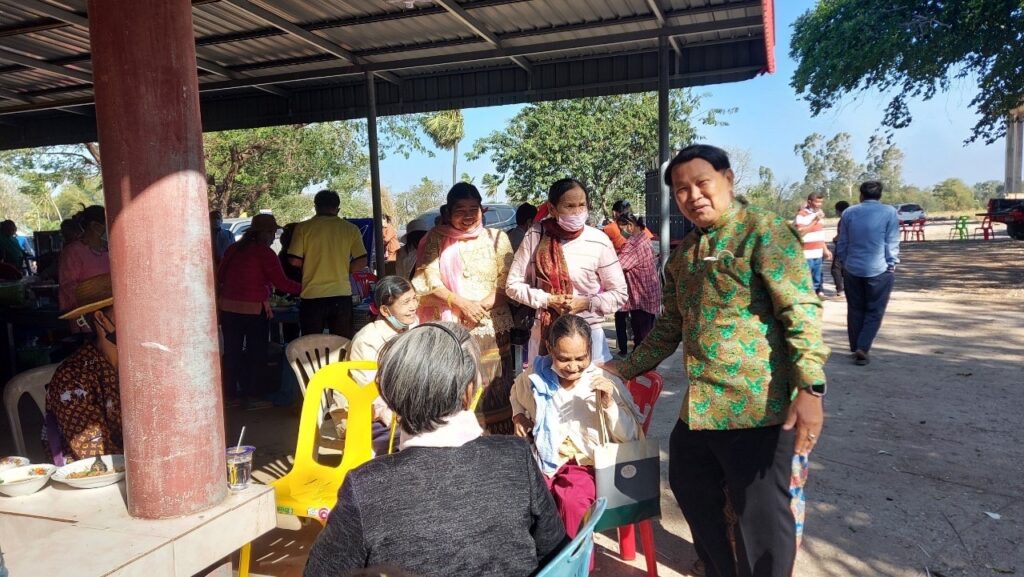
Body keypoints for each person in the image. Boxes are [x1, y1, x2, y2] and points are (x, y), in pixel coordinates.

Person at [607, 145, 829, 577]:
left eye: (701, 183)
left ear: (727, 179)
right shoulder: (684, 255)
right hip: (702, 408)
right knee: (689, 485)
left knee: (761, 518)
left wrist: (811, 388)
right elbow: (669, 328)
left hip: (758, 408)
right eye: (681, 189)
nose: (693, 196)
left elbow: (800, 312)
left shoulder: (764, 233)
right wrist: (622, 367)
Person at [304, 322, 566, 577]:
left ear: (391, 396)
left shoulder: (365, 485)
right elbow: (559, 554)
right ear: (469, 392)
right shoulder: (516, 456)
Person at [510, 314, 639, 537]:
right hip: (546, 458)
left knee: (572, 502)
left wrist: (609, 405)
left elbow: (630, 436)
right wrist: (518, 416)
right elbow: (515, 393)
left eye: (581, 358)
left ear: (590, 349)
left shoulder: (603, 382)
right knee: (525, 498)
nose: (572, 366)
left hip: (589, 464)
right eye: (563, 359)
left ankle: (576, 556)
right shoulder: (537, 376)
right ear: (550, 348)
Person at [412, 182, 515, 433]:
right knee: (456, 388)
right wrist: (461, 304)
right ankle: (459, 444)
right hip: (452, 331)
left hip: (492, 327)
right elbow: (426, 281)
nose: (468, 216)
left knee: (494, 390)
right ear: (448, 212)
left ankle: (497, 445)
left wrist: (477, 308)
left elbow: (507, 282)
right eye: (460, 210)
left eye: (473, 209)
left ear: (482, 210)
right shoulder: (436, 238)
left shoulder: (497, 238)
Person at [506, 178, 627, 365]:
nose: (577, 212)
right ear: (552, 209)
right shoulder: (536, 235)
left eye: (582, 205)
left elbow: (620, 294)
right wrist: (548, 300)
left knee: (587, 384)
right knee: (544, 382)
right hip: (545, 337)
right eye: (569, 206)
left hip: (588, 339)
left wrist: (587, 303)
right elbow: (512, 286)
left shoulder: (599, 240)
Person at [218, 214, 302, 409]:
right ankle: (254, 397)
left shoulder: (233, 249)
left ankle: (230, 396)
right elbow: (281, 283)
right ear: (264, 233)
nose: (273, 237)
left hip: (228, 308)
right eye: (272, 233)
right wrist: (306, 288)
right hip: (254, 309)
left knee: (232, 352)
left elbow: (220, 275)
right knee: (257, 353)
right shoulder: (264, 253)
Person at [45, 273, 122, 463]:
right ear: (101, 319)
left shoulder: (146, 365)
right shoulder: (72, 377)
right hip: (96, 474)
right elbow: (95, 454)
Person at [344, 276, 420, 453]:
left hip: (404, 410)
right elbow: (371, 394)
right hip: (369, 415)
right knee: (417, 440)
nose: (413, 306)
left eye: (414, 299)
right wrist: (401, 418)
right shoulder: (367, 341)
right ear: (385, 310)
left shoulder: (413, 326)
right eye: (406, 302)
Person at [288, 190, 368, 338]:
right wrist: (344, 270)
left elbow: (294, 260)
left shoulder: (303, 228)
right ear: (337, 208)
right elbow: (362, 260)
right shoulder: (350, 229)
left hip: (312, 296)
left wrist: (310, 266)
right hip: (341, 294)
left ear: (316, 207)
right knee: (341, 343)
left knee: (311, 344)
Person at [836, 181, 900, 366]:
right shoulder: (889, 212)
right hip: (879, 269)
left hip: (852, 268)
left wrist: (844, 261)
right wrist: (891, 262)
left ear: (861, 195)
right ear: (880, 195)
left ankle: (856, 345)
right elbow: (891, 240)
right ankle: (863, 347)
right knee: (874, 310)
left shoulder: (849, 213)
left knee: (855, 309)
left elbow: (843, 241)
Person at [615, 213, 661, 350]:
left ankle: (641, 361)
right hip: (649, 294)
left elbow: (617, 266)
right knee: (645, 335)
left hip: (640, 297)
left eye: (621, 228)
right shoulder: (644, 238)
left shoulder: (633, 245)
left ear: (630, 226)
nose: (621, 232)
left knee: (642, 339)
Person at [59, 205, 111, 316]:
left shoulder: (109, 250)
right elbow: (68, 287)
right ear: (95, 226)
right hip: (84, 316)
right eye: (107, 224)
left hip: (109, 312)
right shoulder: (73, 252)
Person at [794, 192, 832, 298]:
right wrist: (815, 220)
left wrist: (825, 249)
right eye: (817, 202)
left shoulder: (819, 214)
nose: (819, 204)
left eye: (821, 202)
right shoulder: (801, 215)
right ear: (809, 202)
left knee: (817, 279)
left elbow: (819, 235)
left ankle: (814, 297)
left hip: (817, 253)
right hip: (806, 254)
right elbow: (801, 232)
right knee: (806, 279)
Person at [395, 216, 430, 280]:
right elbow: (400, 274)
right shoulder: (402, 252)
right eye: (416, 235)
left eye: (421, 235)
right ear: (410, 237)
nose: (418, 238)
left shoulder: (431, 249)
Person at [831, 200, 851, 300]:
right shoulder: (852, 218)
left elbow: (842, 234)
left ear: (838, 210)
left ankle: (840, 290)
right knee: (846, 268)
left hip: (842, 247)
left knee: (836, 269)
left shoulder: (843, 220)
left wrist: (834, 239)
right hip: (851, 247)